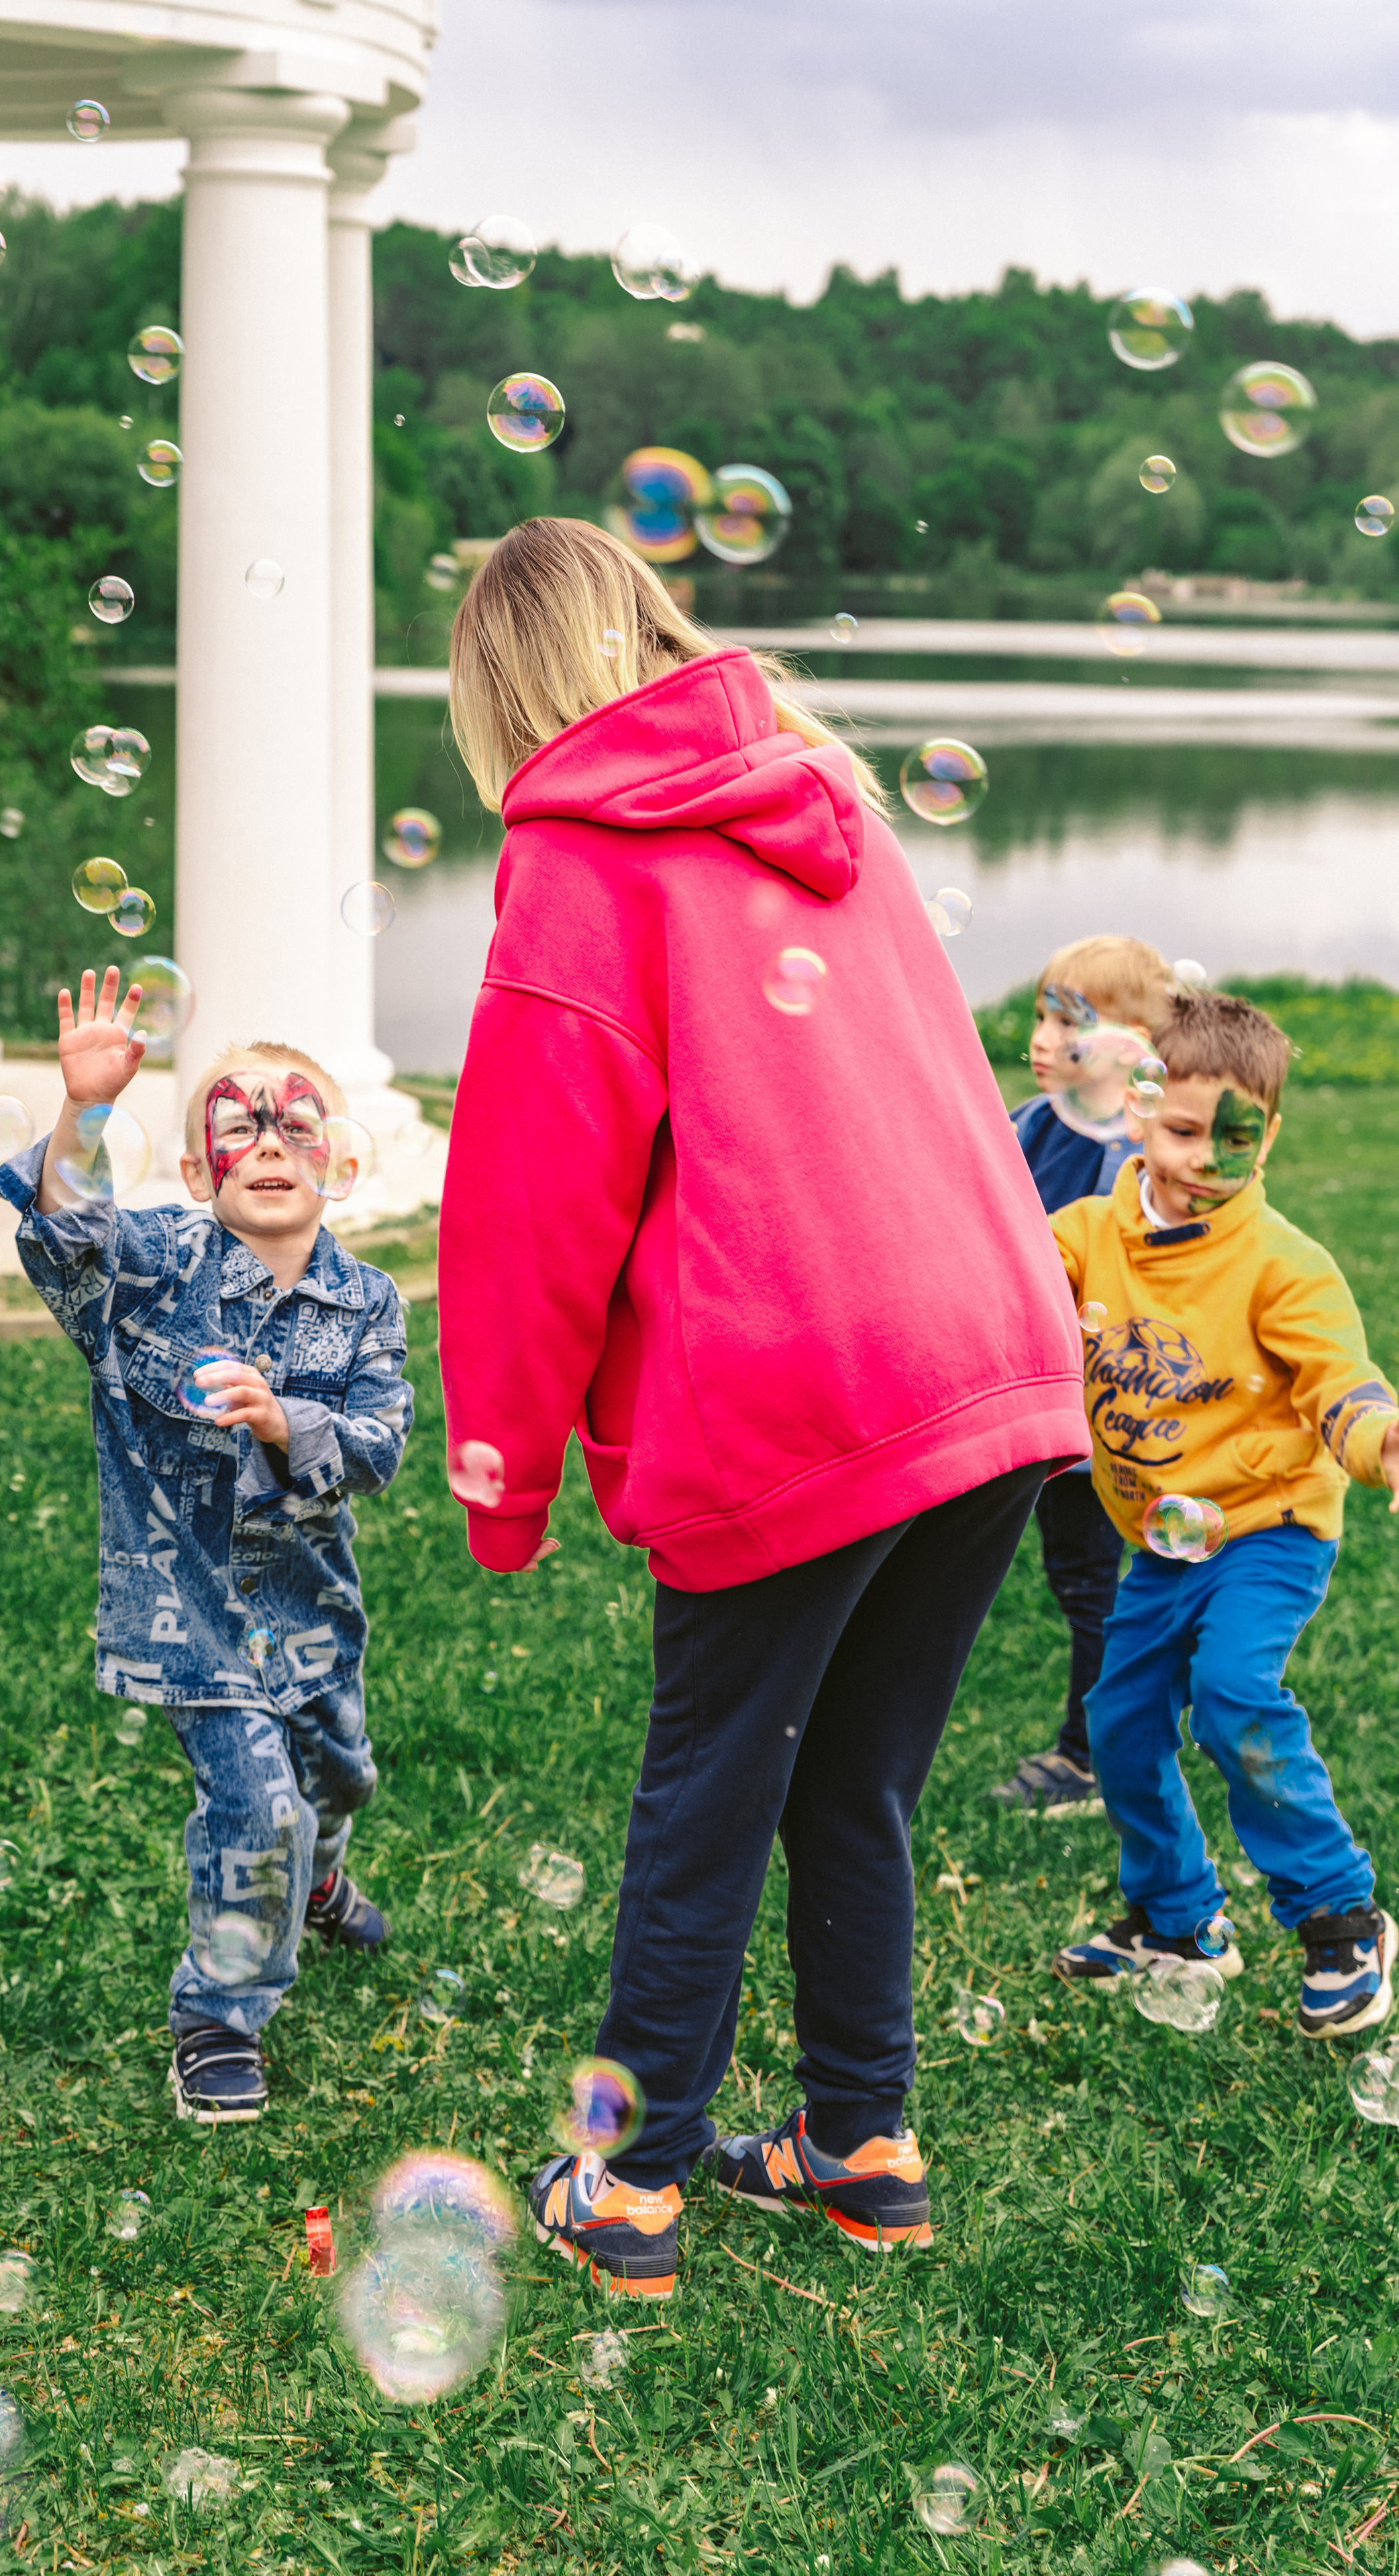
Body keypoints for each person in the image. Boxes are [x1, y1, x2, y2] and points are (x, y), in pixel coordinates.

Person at [436, 518, 1089, 2297]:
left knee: (712, 1786)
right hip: (993, 1346)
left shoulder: (580, 855)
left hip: (801, 1375)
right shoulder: (827, 798)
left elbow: (525, 1200)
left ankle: (635, 2181)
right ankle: (860, 2140)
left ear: (498, 692)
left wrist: (501, 1477)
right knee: (854, 1777)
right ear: (655, 628)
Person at [0, 969, 410, 2123]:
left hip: (313, 1616)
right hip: (189, 1625)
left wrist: (288, 1419)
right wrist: (85, 1113)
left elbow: (378, 1446)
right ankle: (220, 2018)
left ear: (337, 1163)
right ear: (195, 1173)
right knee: (256, 1810)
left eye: (294, 1125)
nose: (268, 1142)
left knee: (337, 1779)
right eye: (237, 1127)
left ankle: (317, 1880)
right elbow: (64, 1236)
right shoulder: (146, 1275)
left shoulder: (371, 1304)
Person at [1051, 989, 1399, 2037]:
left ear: (1272, 1136)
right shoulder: (1081, 1237)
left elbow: (1343, 1384)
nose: (1206, 1156)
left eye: (1235, 1137)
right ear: (1139, 1114)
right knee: (1118, 1724)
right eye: (1185, 1130)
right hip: (1162, 1539)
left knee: (1235, 1691)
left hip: (1269, 1525)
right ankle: (1179, 1920)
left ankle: (1341, 1916)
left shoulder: (1285, 1265)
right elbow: (1008, 1299)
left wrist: (1381, 1441)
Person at [987, 934, 1172, 1815]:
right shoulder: (1026, 1127)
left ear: (1134, 1043)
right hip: (1024, 1399)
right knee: (1067, 1577)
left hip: (1098, 1417)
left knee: (1094, 1582)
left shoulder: (1139, 1162)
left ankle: (1090, 1757)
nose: (1044, 1036)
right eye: (1041, 1014)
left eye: (1071, 1023)